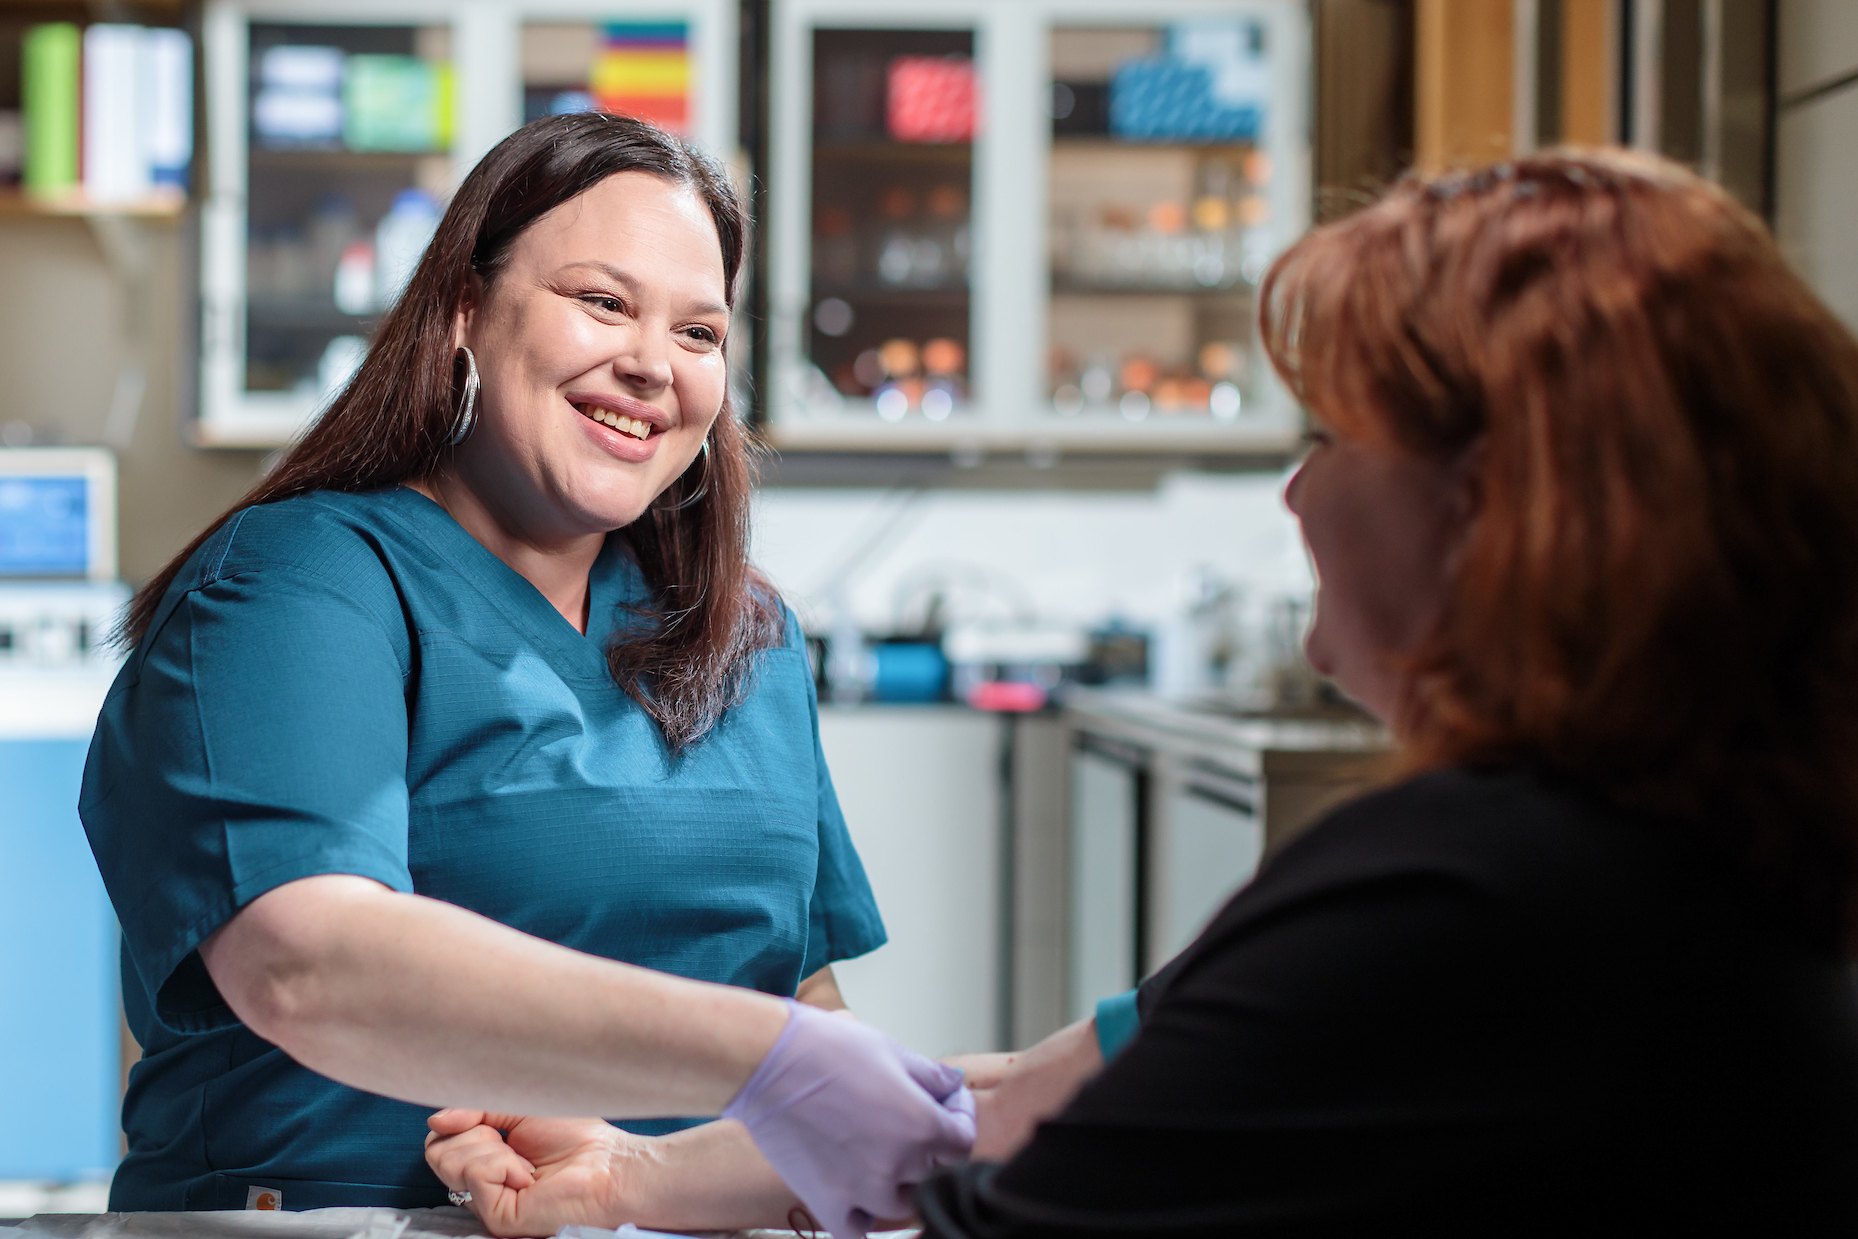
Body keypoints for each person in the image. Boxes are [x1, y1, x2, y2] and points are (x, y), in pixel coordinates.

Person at [911, 151, 1858, 1233]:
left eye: (1330, 436)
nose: (1297, 494)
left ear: (1495, 506)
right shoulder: (1690, 851)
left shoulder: (1471, 885)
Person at [80, 113, 971, 1238]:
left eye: (699, 331)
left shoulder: (744, 633)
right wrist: (770, 1059)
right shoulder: (298, 587)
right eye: (602, 301)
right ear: (464, 306)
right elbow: (308, 961)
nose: (651, 363)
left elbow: (808, 1016)